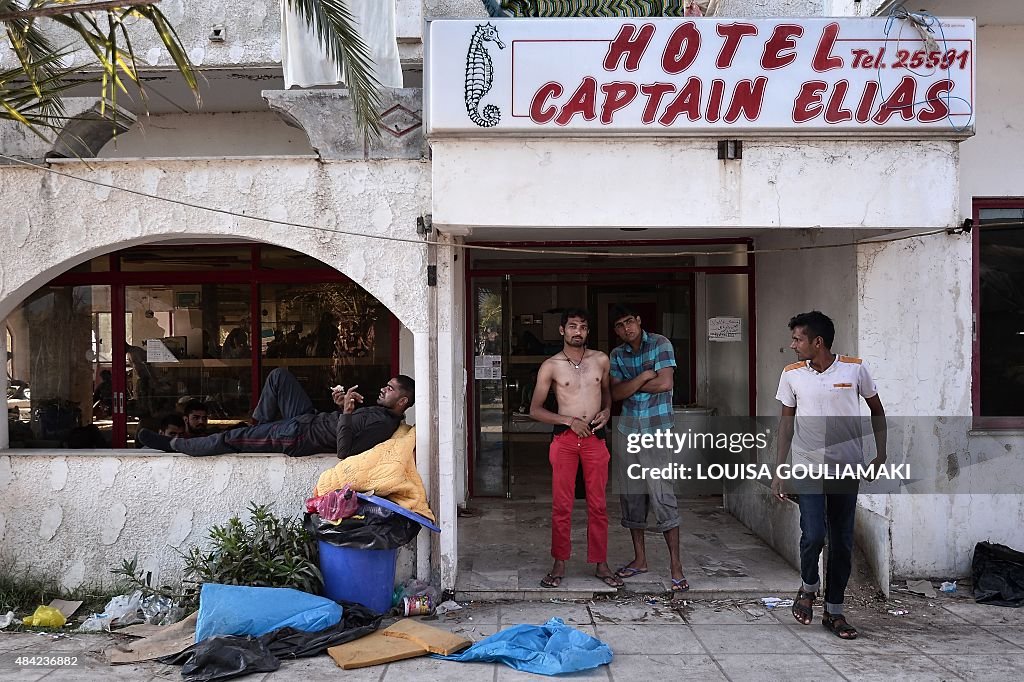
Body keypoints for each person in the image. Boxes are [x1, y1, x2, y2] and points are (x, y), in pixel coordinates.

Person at [770, 311, 887, 640]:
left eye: (798, 339)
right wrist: (779, 469)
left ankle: (834, 611)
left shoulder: (855, 368)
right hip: (807, 468)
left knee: (842, 542)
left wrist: (881, 454)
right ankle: (808, 587)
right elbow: (786, 423)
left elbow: (877, 410)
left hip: (846, 468)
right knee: (813, 535)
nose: (792, 345)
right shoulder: (791, 373)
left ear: (817, 342)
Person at [529, 308, 622, 589]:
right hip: (565, 440)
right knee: (562, 505)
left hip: (595, 437)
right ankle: (559, 562)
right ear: (562, 330)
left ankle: (601, 562)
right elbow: (535, 409)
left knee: (598, 505)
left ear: (587, 331)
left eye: (582, 326)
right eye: (572, 326)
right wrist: (568, 420)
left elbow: (607, 393)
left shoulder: (601, 360)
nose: (577, 331)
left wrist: (607, 411)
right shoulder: (551, 365)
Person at [137, 367, 413, 458]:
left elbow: (344, 452)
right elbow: (341, 423)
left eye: (389, 389)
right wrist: (341, 406)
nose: (382, 390)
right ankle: (258, 425)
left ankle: (175, 445)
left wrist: (347, 414)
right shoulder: (379, 413)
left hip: (297, 436)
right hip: (307, 418)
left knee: (231, 438)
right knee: (280, 376)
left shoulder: (382, 426)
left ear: (402, 402)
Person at [608, 303, 688, 592]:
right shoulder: (617, 354)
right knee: (632, 497)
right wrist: (643, 376)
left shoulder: (661, 344)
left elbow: (665, 383)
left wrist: (630, 385)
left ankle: (675, 566)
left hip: (656, 431)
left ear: (639, 320)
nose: (626, 328)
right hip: (628, 430)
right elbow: (616, 393)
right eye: (619, 325)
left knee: (663, 496)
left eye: (629, 321)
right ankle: (640, 559)